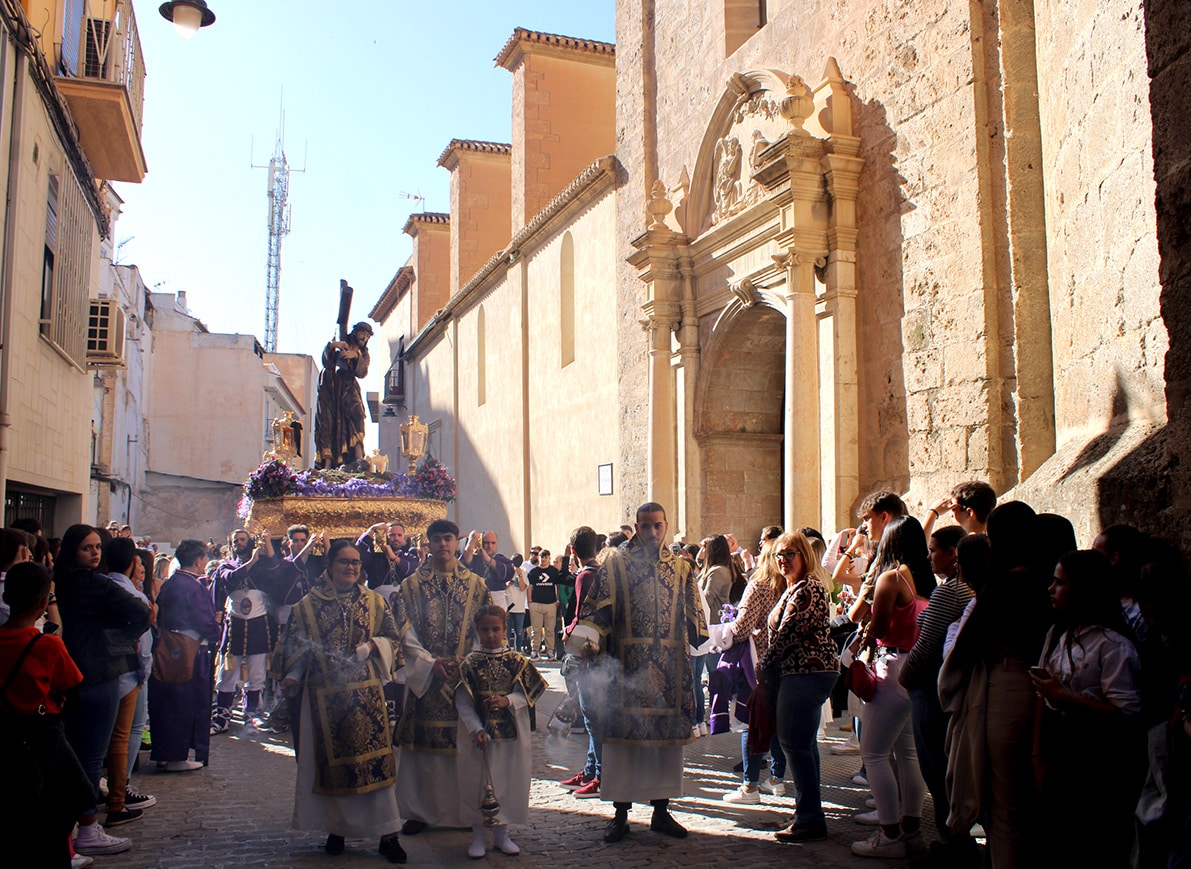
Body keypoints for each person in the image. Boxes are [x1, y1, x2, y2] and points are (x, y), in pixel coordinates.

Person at [571, 502, 708, 844]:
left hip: (669, 671)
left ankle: (661, 812)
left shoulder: (681, 569)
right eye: (645, 527)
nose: (651, 533)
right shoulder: (616, 564)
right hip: (625, 669)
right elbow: (597, 610)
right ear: (637, 525)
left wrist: (701, 637)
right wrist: (587, 636)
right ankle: (620, 815)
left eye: (657, 526)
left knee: (663, 746)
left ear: (666, 525)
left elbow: (695, 615)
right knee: (623, 747)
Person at [271, 539, 405, 864]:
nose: (351, 567)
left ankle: (388, 834)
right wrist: (292, 674)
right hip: (324, 702)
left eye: (356, 562)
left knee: (376, 768)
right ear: (329, 565)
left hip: (367, 698)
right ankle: (337, 829)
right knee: (331, 769)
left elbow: (393, 639)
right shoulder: (307, 605)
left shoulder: (374, 602)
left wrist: (373, 647)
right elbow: (298, 647)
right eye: (344, 562)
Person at [1031, 549, 1143, 866]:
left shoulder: (1112, 645)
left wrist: (1067, 697)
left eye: (1060, 583)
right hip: (1058, 753)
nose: (1051, 589)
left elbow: (1127, 713)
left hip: (1097, 760)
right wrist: (1037, 756)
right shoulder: (1057, 634)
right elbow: (1042, 697)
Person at [55, 524, 151, 857]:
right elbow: (142, 612)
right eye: (87, 548)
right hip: (97, 674)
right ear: (73, 551)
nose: (95, 553)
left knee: (77, 754)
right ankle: (87, 828)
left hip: (69, 673)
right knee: (92, 755)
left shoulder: (61, 584)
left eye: (98, 547)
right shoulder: (97, 585)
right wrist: (119, 637)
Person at [394, 519, 490, 834]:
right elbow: (404, 632)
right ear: (428, 543)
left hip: (462, 680)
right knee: (424, 750)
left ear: (457, 542)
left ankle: (463, 813)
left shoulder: (476, 585)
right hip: (426, 680)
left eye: (448, 539)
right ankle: (420, 813)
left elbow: (485, 629)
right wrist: (428, 663)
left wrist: (468, 662)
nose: (443, 545)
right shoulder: (410, 585)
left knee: (462, 748)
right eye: (437, 540)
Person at [0, 562, 96, 868]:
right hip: (42, 735)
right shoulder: (46, 645)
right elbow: (74, 687)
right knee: (69, 798)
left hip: (6, 735)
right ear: (44, 602)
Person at [848, 515, 933, 859]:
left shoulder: (891, 579)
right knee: (909, 753)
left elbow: (877, 625)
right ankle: (911, 828)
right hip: (917, 667)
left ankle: (889, 833)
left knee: (874, 753)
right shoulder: (926, 580)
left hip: (892, 664)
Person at [897, 525, 979, 866]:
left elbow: (927, 644)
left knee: (937, 767)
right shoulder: (960, 590)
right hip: (939, 688)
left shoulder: (951, 592)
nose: (929, 557)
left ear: (952, 553)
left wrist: (904, 675)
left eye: (934, 550)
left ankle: (954, 842)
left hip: (930, 689)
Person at [759, 531, 840, 843]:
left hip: (805, 672)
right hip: (798, 673)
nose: (783, 559)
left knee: (795, 744)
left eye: (790, 553)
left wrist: (764, 664)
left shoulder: (809, 588)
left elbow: (788, 634)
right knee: (803, 745)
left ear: (804, 555)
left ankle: (809, 818)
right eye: (779, 554)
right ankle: (809, 813)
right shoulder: (793, 587)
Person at [455, 605, 546, 859]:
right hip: (479, 738)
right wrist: (476, 729)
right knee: (477, 783)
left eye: (496, 629)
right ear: (478, 631)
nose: (491, 634)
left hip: (510, 737)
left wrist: (509, 701)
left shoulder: (517, 662)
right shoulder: (470, 664)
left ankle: (503, 835)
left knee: (506, 783)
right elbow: (462, 702)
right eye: (485, 630)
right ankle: (479, 837)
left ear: (505, 629)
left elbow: (529, 694)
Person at [719, 525, 787, 804]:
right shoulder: (788, 584)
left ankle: (750, 786)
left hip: (758, 662)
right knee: (779, 725)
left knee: (752, 723)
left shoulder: (758, 585)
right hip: (784, 662)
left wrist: (724, 632)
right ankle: (778, 779)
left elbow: (743, 625)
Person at [149, 539, 220, 772]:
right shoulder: (193, 586)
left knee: (168, 703)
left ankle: (164, 753)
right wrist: (216, 630)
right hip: (189, 652)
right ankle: (176, 757)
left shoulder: (171, 583)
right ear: (199, 560)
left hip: (169, 649)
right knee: (185, 704)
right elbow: (204, 620)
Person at [100, 537, 155, 827]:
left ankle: (105, 788)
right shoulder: (132, 596)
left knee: (104, 738)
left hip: (101, 671)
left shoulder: (98, 586)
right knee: (124, 736)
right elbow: (143, 645)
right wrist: (143, 674)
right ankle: (118, 799)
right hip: (127, 673)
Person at [212, 529, 279, 731]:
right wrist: (251, 561)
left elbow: (276, 568)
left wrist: (267, 541)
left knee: (256, 673)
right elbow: (230, 579)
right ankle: (222, 716)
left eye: (243, 539)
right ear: (231, 545)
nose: (240, 543)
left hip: (258, 626)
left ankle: (251, 714)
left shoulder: (262, 566)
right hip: (234, 628)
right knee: (228, 674)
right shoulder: (225, 566)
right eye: (236, 540)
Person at [558, 527, 605, 798]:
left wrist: (567, 631)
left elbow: (580, 615)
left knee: (591, 716)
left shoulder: (585, 576)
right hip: (600, 652)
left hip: (587, 656)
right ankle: (590, 770)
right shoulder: (602, 572)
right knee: (590, 716)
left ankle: (600, 774)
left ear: (573, 551)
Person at [315, 321, 372, 469]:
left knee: (357, 415)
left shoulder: (363, 353)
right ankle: (327, 461)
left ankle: (358, 456)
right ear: (355, 332)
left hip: (349, 385)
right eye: (362, 334)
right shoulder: (343, 342)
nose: (364, 338)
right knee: (328, 422)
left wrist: (355, 356)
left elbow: (362, 372)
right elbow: (328, 363)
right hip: (332, 386)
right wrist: (332, 346)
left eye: (367, 336)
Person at [461, 530, 514, 611]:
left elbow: (509, 573)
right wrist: (471, 541)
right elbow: (461, 566)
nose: (490, 546)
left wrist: (488, 560)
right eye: (486, 543)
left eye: (493, 543)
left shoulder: (501, 560)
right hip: (476, 604)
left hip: (497, 606)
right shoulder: (474, 559)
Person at [526, 550, 559, 659]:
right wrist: (530, 601)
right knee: (536, 630)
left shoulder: (554, 571)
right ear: (538, 558)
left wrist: (557, 600)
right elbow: (530, 587)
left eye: (546, 557)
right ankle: (535, 651)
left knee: (550, 630)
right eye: (541, 556)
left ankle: (550, 651)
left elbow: (557, 587)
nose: (543, 559)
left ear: (549, 558)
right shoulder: (533, 572)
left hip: (550, 604)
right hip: (536, 603)